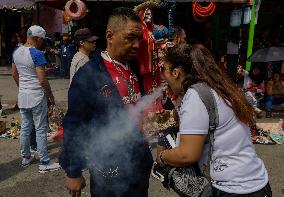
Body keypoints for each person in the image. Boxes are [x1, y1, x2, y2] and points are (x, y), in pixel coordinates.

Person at [60, 7, 153, 197]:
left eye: (139, 39)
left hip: (138, 162)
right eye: (130, 38)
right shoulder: (89, 75)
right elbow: (74, 124)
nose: (136, 45)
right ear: (110, 36)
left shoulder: (134, 67)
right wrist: (73, 171)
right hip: (108, 167)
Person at [156, 44, 271, 196]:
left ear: (176, 72)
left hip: (235, 189)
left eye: (164, 70)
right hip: (256, 183)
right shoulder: (217, 86)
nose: (163, 76)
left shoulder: (195, 95)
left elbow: (187, 154)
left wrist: (162, 157)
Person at [11, 25, 61, 173]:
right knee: (40, 128)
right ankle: (44, 162)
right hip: (37, 95)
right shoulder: (37, 54)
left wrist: (23, 87)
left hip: (23, 95)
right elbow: (42, 80)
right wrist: (51, 96)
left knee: (26, 126)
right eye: (42, 40)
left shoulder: (16, 51)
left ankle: (26, 157)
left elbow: (14, 74)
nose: (43, 43)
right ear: (37, 38)